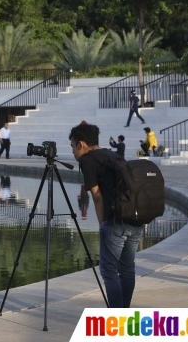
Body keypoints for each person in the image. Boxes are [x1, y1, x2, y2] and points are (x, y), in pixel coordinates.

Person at [69, 123, 143, 308]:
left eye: (72, 146)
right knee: (127, 269)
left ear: (82, 144)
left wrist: (103, 225)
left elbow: (97, 196)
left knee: (109, 270)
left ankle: (117, 320)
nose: (72, 151)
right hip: (135, 219)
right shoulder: (113, 154)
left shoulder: (88, 160)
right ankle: (123, 316)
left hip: (116, 221)